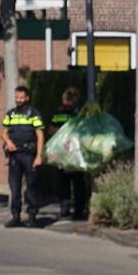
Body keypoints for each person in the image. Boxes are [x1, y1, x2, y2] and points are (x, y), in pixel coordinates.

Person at [1, 85, 45, 228]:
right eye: (17, 97)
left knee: (31, 186)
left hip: (29, 155)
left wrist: (39, 156)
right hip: (14, 155)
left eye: (21, 97)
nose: (18, 100)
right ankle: (15, 216)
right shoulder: (10, 114)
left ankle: (32, 216)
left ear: (27, 98)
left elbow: (40, 135)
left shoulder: (34, 114)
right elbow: (3, 133)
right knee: (15, 187)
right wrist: (8, 142)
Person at [49, 87, 89, 220]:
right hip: (62, 152)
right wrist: (58, 133)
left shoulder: (80, 114)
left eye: (68, 101)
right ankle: (64, 208)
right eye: (64, 100)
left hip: (75, 152)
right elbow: (51, 129)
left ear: (74, 101)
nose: (66, 103)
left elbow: (84, 132)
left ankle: (79, 210)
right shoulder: (58, 112)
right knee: (62, 181)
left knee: (78, 182)